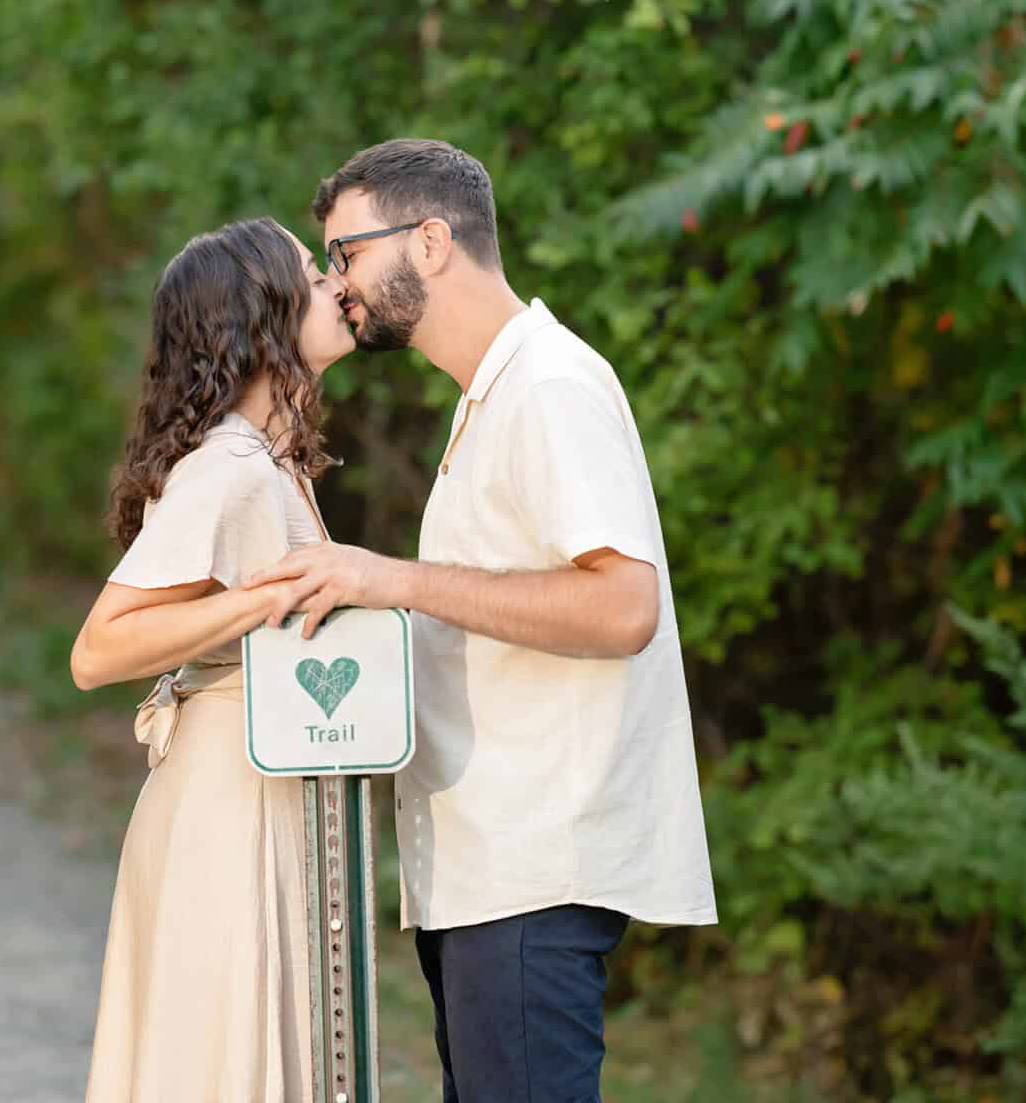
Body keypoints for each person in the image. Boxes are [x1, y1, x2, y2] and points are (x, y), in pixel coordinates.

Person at [247, 138, 718, 1102]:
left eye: (346, 254)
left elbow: (624, 606)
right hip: (483, 867)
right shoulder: (491, 398)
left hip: (535, 865)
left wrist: (396, 581)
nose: (338, 286)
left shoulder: (548, 386)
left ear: (429, 241)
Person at [68, 215, 354, 1102]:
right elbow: (98, 650)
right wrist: (269, 596)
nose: (340, 286)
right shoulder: (230, 468)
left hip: (264, 787)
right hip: (228, 808)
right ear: (266, 317)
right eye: (315, 276)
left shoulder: (269, 462)